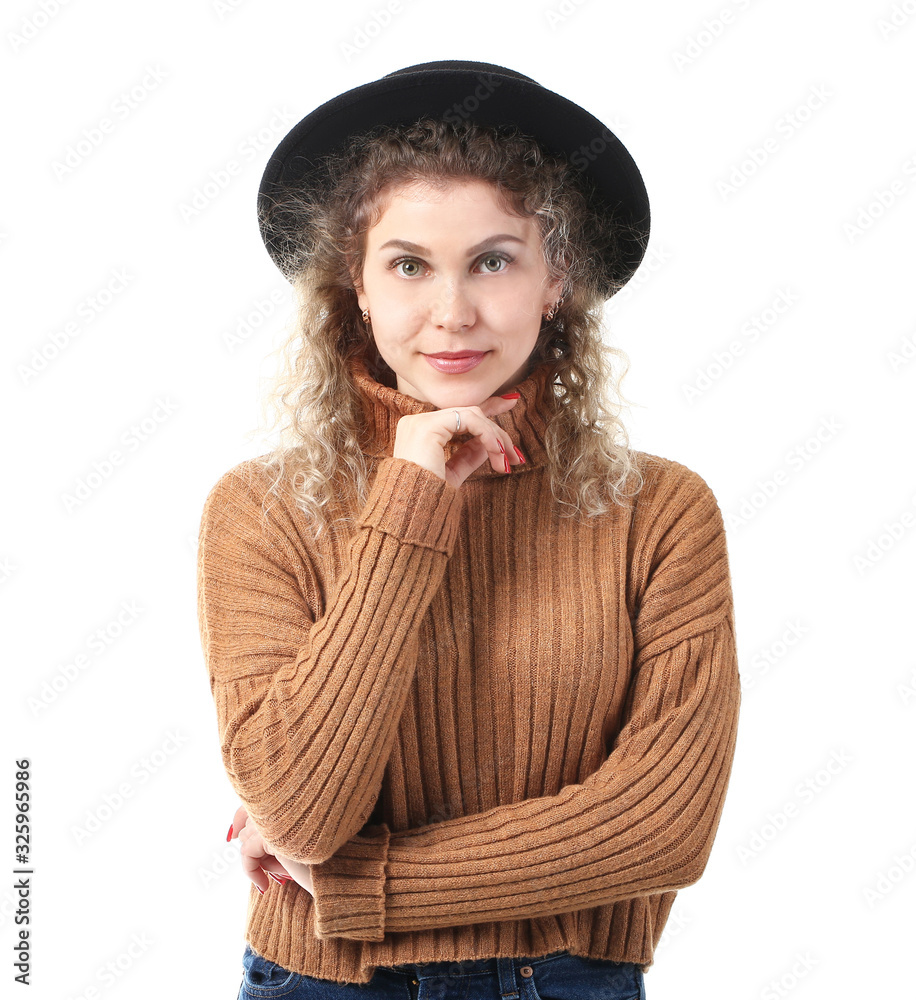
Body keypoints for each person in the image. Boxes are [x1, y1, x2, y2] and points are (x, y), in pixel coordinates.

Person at [196, 60, 742, 998]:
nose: (452, 314)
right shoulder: (260, 509)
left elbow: (663, 825)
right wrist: (411, 496)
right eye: (408, 265)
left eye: (494, 260)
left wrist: (359, 886)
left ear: (555, 279)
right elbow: (299, 805)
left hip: (568, 980)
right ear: (357, 288)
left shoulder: (660, 511)